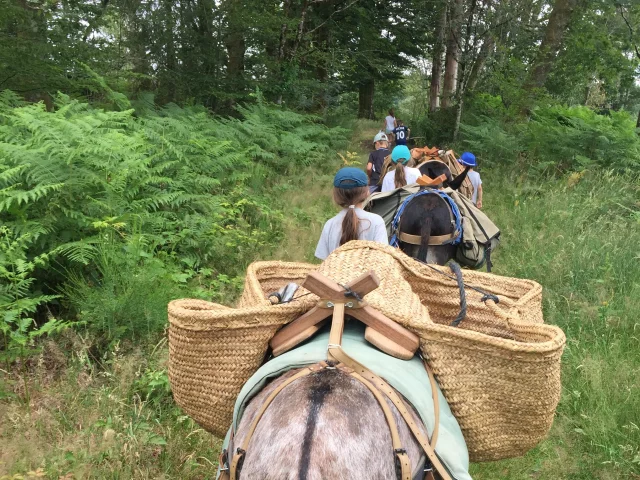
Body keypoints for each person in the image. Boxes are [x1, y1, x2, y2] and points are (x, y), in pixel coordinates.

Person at [315, 167, 389, 260]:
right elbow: (382, 259)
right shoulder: (376, 222)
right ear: (367, 192)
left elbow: (324, 264)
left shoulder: (330, 224)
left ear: (336, 195)